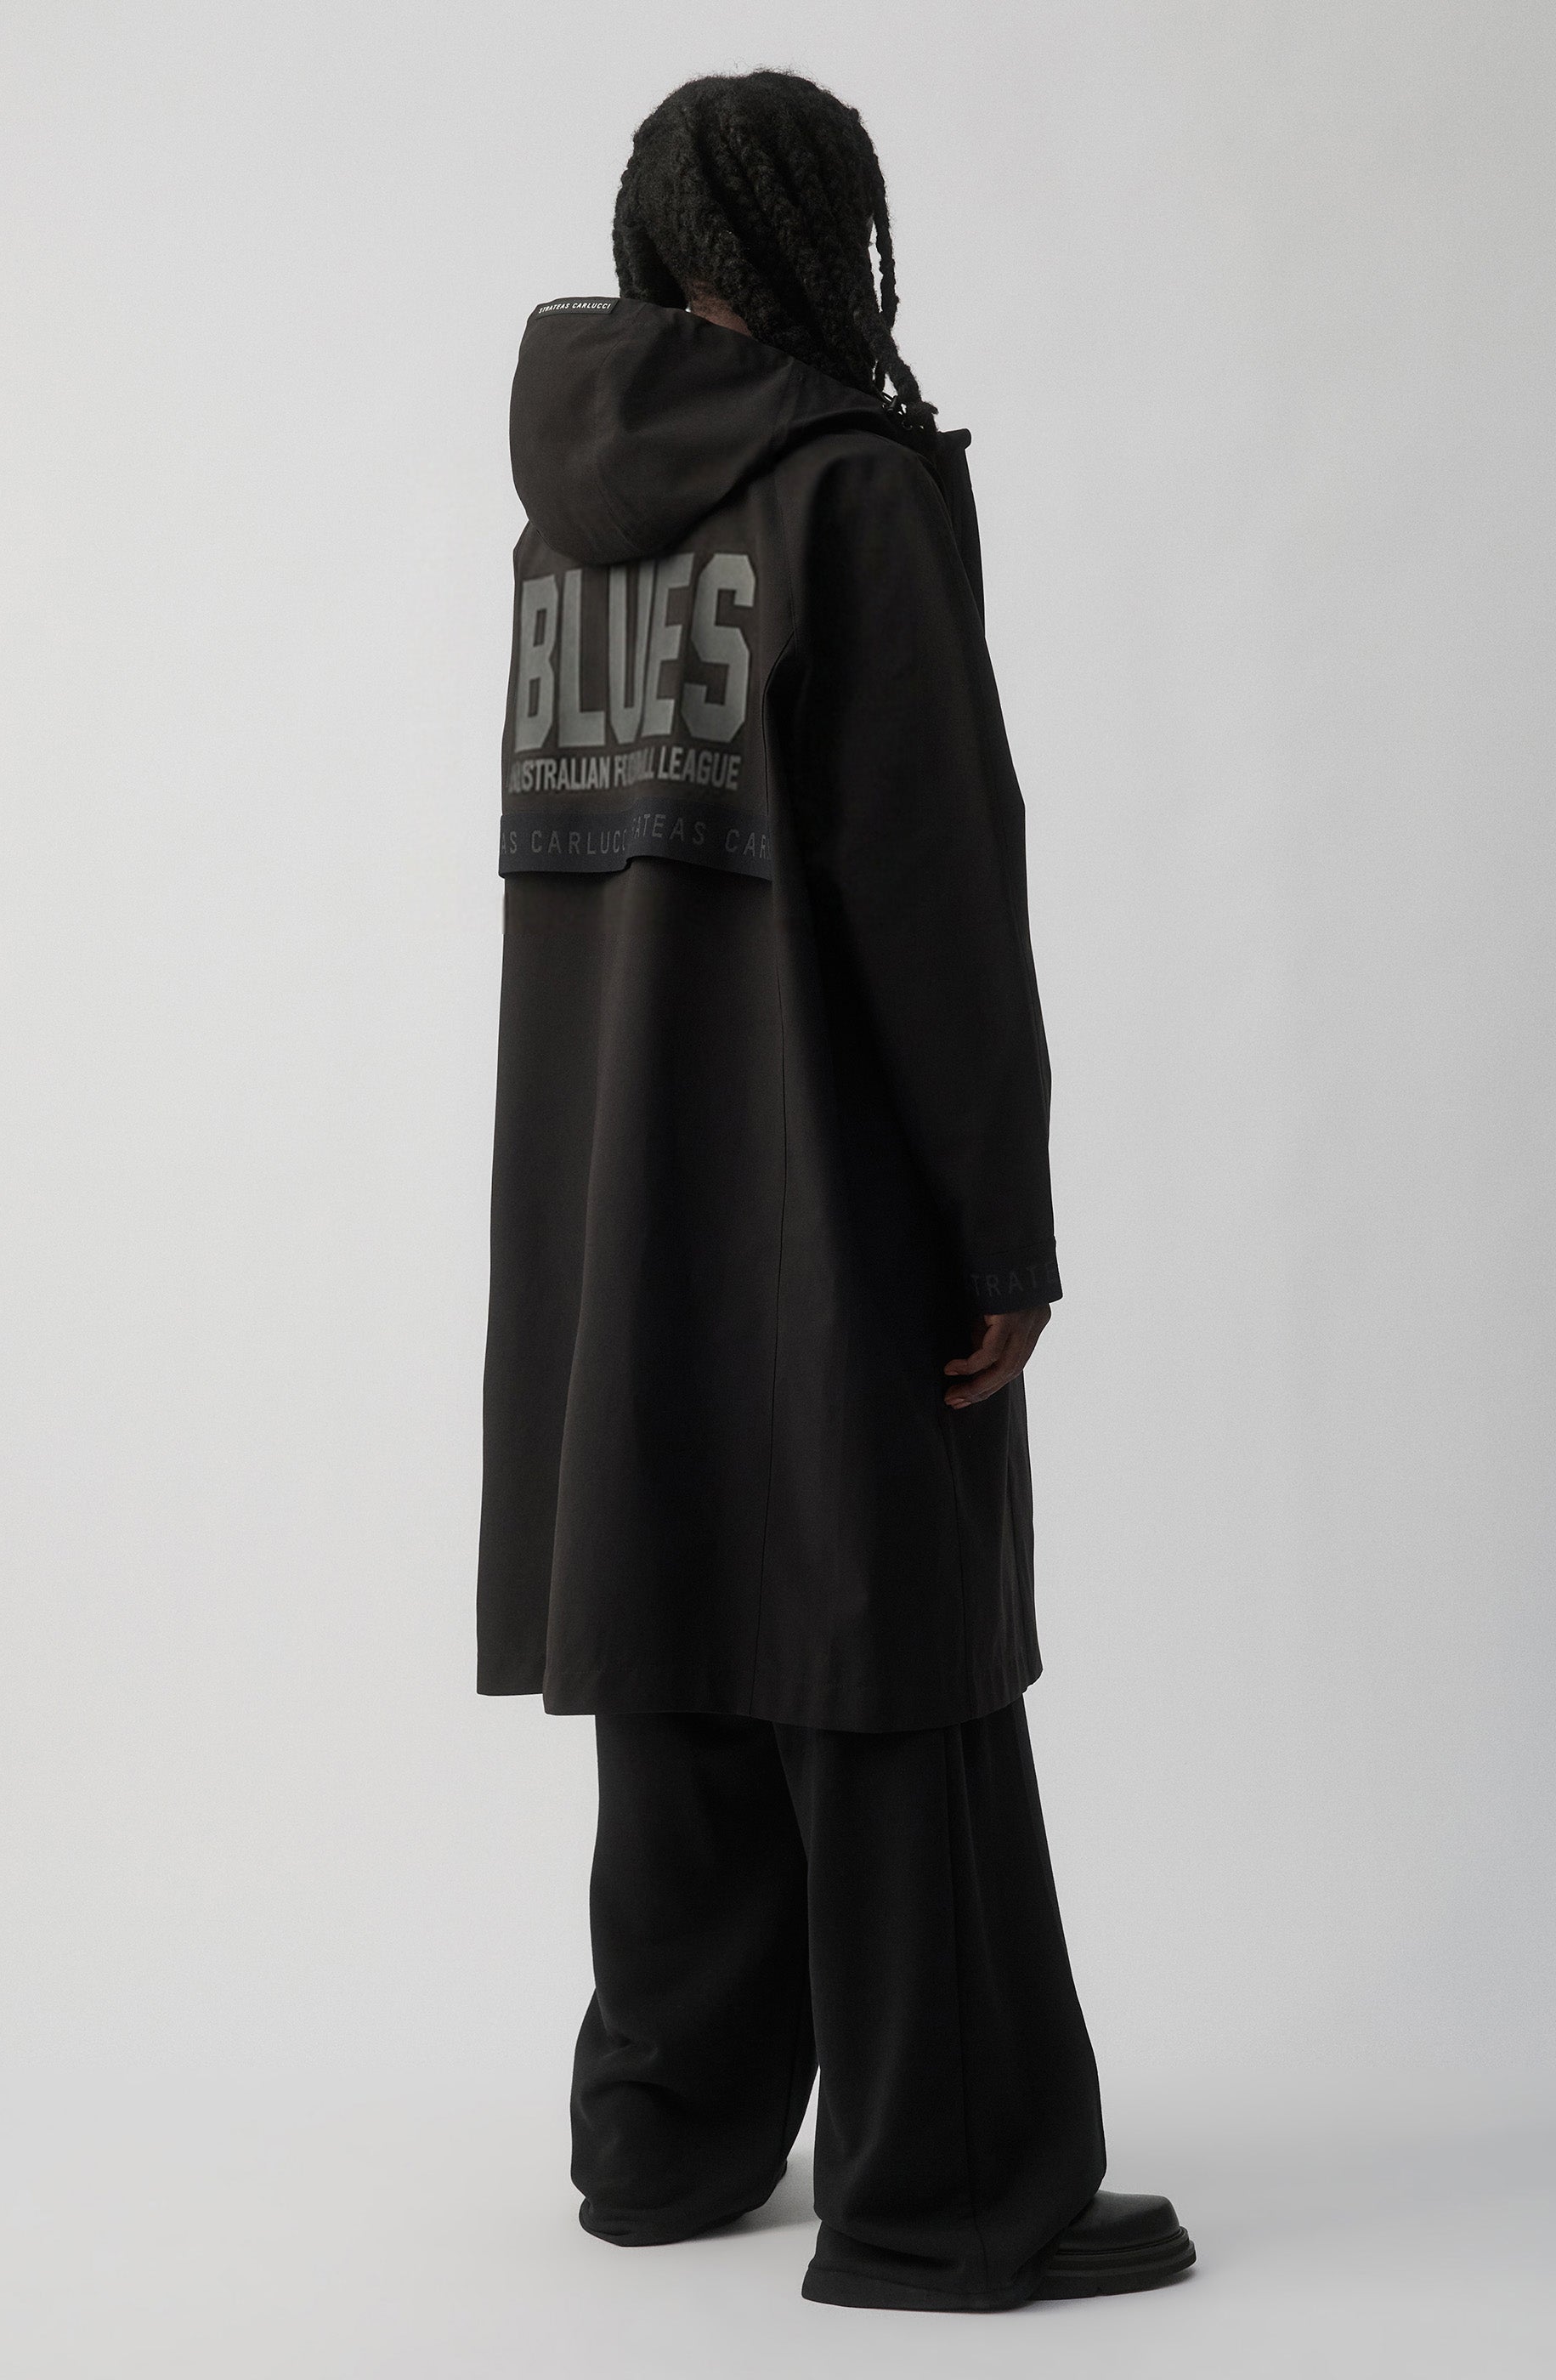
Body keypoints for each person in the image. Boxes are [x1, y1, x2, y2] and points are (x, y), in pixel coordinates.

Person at [477, 68, 1193, 2314]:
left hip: (606, 1187)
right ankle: (945, 2188)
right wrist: (999, 1230)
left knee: (677, 1624)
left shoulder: (562, 529)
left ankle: (667, 2138)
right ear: (829, 237)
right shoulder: (850, 490)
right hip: (820, 1169)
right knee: (894, 1641)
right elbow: (934, 889)